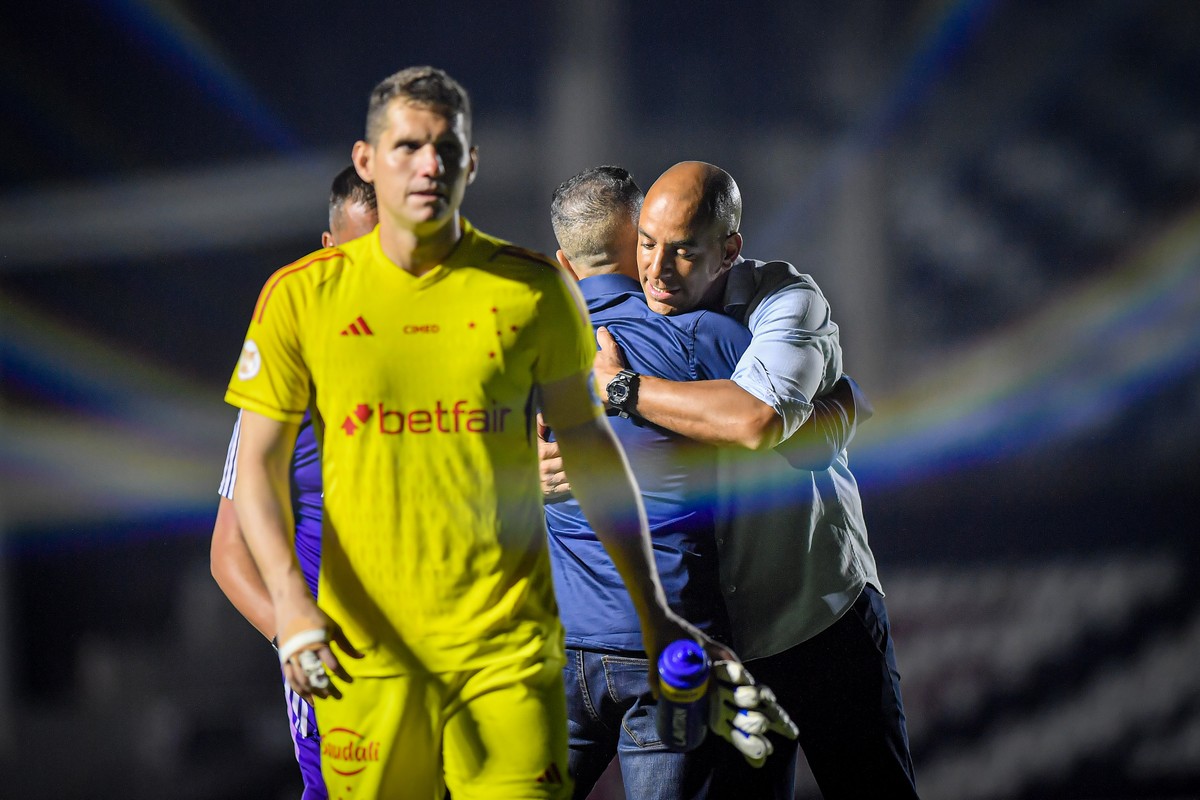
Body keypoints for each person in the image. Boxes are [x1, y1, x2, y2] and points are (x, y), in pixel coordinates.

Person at [223, 66, 707, 800]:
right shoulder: (298, 300)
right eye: (407, 146)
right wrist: (289, 607)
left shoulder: (533, 291)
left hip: (504, 659)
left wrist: (656, 609)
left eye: (445, 149)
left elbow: (591, 457)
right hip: (368, 664)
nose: (428, 166)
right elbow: (255, 469)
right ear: (366, 160)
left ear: (471, 162)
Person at [585, 161, 919, 799]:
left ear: (729, 250)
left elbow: (755, 419)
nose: (656, 270)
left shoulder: (788, 300)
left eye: (683, 251)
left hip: (818, 615)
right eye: (647, 245)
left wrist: (625, 392)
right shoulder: (622, 306)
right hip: (723, 641)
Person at [211, 164, 377, 800]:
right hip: (336, 669)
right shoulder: (282, 376)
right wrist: (292, 635)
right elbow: (227, 551)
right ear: (329, 250)